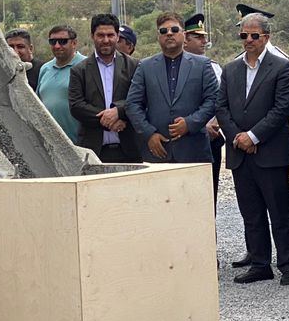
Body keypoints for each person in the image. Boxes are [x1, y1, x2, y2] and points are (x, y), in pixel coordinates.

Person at [216, 13, 289, 285]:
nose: (248, 40)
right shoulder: (230, 70)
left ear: (266, 37)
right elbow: (222, 107)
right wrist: (238, 137)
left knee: (279, 212)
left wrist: (253, 136)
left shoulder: (281, 67)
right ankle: (260, 263)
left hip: (270, 152)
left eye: (254, 36)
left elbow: (282, 108)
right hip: (240, 153)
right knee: (251, 213)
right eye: (244, 35)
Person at [126, 12, 219, 163]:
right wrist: (149, 134)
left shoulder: (203, 65)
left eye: (174, 30)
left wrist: (190, 123)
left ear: (183, 34)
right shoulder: (145, 66)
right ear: (158, 36)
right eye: (163, 31)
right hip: (157, 151)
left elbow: (214, 100)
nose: (169, 34)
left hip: (193, 151)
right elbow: (133, 104)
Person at [69, 13, 141, 164]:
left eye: (110, 35)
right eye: (100, 35)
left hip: (129, 149)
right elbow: (76, 106)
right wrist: (109, 120)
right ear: (92, 36)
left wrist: (119, 112)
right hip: (93, 152)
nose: (106, 40)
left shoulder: (134, 66)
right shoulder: (79, 70)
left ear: (117, 36)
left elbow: (141, 99)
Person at [183, 12, 226, 199]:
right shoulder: (176, 68)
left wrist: (215, 123)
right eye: (197, 37)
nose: (203, 41)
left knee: (210, 194)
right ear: (185, 39)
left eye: (204, 37)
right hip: (186, 138)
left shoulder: (214, 67)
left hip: (212, 140)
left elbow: (222, 101)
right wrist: (200, 125)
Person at [36, 24, 85, 143]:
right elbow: (38, 103)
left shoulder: (86, 66)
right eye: (53, 42)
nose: (57, 46)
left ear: (74, 43)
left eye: (63, 41)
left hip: (78, 143)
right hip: (48, 143)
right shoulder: (45, 69)